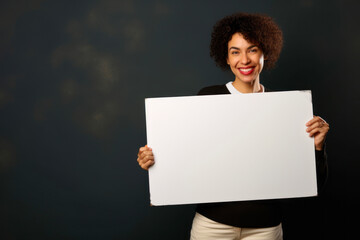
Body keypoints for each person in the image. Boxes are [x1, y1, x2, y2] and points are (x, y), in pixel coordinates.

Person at [137, 12, 329, 240]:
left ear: (264, 53)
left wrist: (318, 148)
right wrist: (153, 162)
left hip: (265, 227)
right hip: (213, 225)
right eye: (235, 52)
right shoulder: (208, 98)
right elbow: (186, 157)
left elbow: (312, 182)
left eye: (252, 49)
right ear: (226, 58)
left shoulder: (285, 110)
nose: (244, 60)